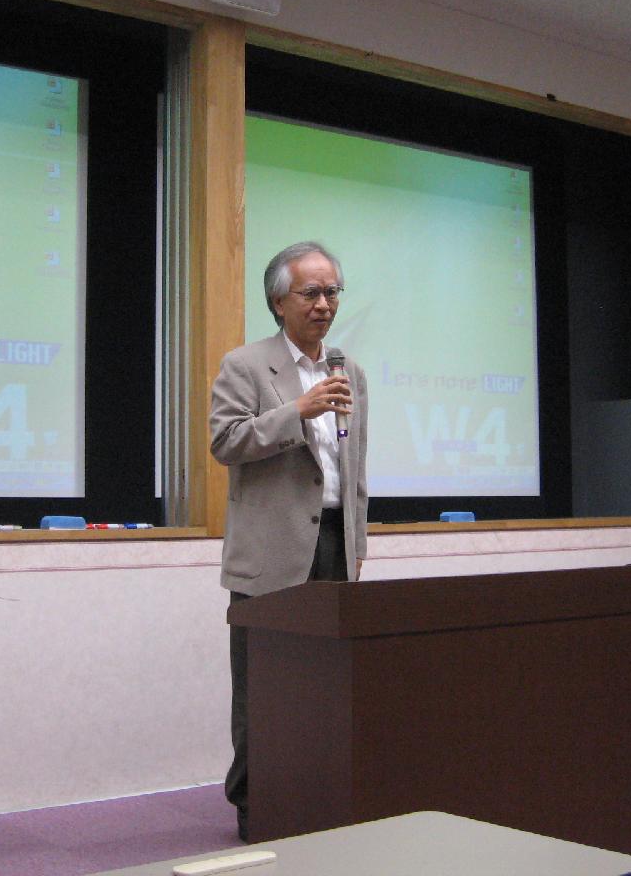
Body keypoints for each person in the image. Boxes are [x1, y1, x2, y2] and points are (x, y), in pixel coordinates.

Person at [208, 241, 369, 842]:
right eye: (311, 293)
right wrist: (296, 411)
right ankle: (256, 807)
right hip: (271, 553)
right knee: (263, 689)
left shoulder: (350, 373)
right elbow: (225, 442)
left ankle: (319, 797)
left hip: (334, 546)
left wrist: (357, 547)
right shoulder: (246, 365)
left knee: (328, 686)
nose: (324, 304)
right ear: (279, 301)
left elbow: (353, 470)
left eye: (332, 292)